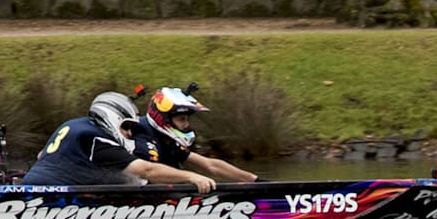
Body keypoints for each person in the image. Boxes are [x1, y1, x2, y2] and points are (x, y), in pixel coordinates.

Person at [21, 91, 216, 192]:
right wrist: (191, 177)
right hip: (50, 199)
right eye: (127, 127)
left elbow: (41, 155)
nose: (130, 134)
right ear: (113, 117)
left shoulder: (73, 124)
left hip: (33, 188)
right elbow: (146, 170)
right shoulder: (97, 139)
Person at [131, 84, 259, 183]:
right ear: (163, 118)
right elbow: (150, 174)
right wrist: (191, 177)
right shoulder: (141, 135)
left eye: (187, 119)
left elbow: (210, 165)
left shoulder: (167, 139)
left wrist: (254, 180)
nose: (186, 125)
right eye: (181, 120)